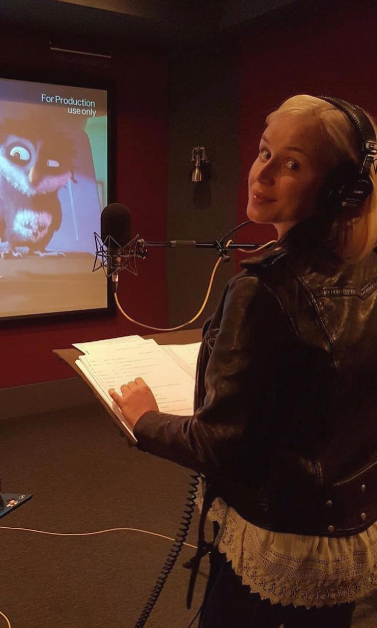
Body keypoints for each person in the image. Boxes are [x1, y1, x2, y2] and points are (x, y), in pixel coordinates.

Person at [109, 95, 377, 628]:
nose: (262, 173)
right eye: (264, 151)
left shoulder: (263, 289)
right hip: (347, 527)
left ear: (340, 189)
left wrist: (144, 420)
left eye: (292, 164)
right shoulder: (367, 267)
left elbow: (220, 445)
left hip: (281, 535)